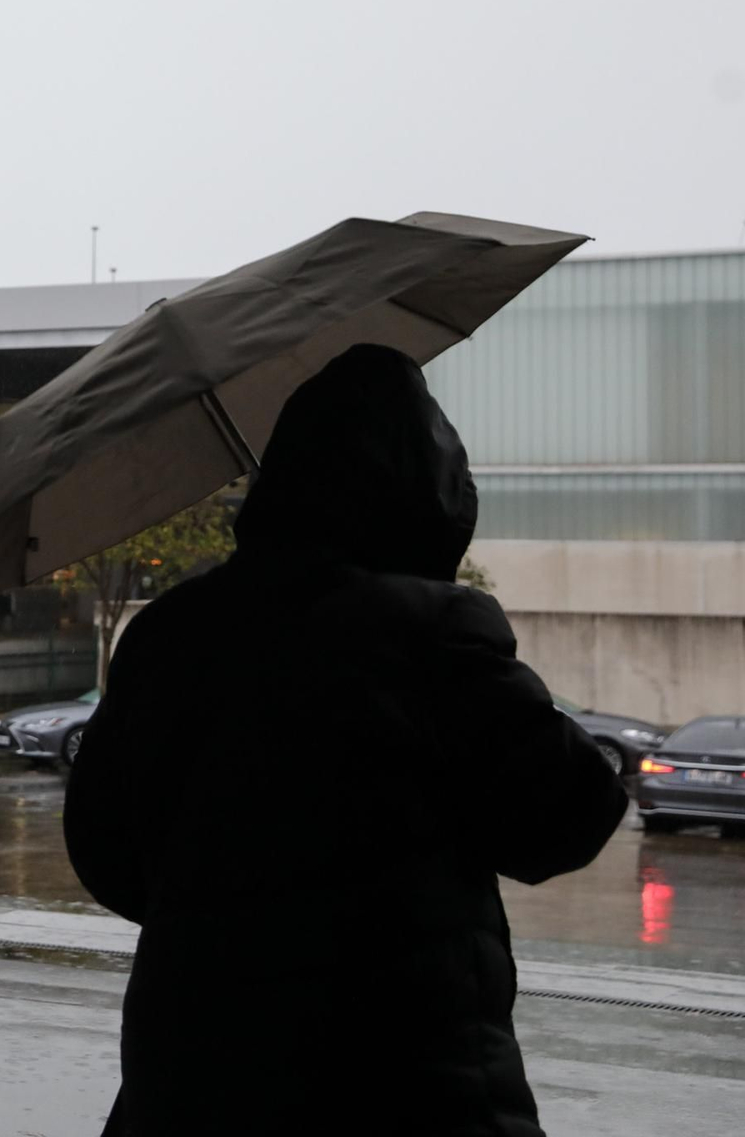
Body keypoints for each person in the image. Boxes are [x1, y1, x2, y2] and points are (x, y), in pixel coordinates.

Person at [64, 344, 628, 1136]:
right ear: (432, 490)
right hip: (410, 1086)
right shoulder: (431, 634)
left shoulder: (167, 635)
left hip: (192, 1085)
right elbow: (567, 819)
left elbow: (103, 847)